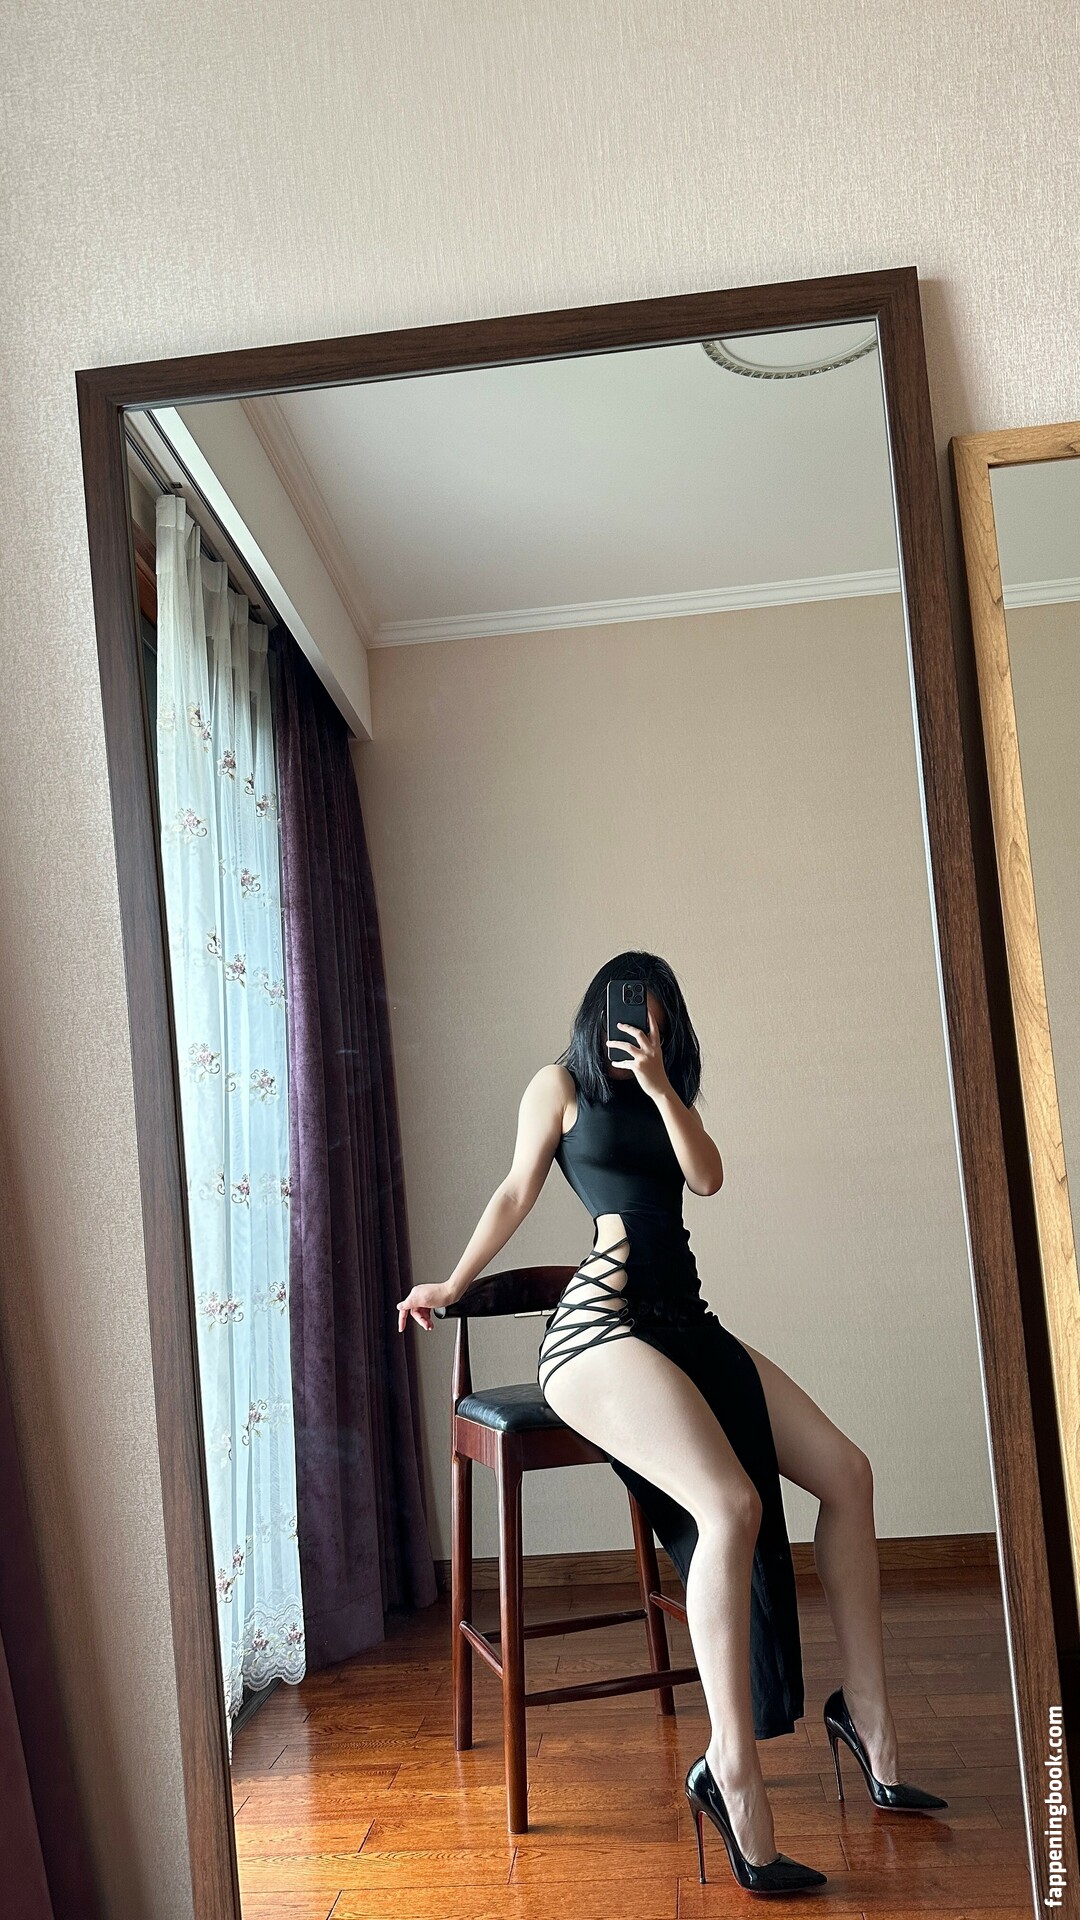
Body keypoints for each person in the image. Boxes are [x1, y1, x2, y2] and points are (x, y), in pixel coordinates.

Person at [396, 951, 947, 1891]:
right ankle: (732, 1771)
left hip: (686, 1322)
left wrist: (658, 1084)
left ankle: (870, 1722)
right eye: (626, 1012)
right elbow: (515, 1190)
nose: (637, 1028)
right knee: (731, 1507)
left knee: (848, 1474)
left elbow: (708, 1177)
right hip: (598, 1331)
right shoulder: (559, 1087)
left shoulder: (666, 1093)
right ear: (595, 1011)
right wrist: (452, 1284)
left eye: (654, 1018)